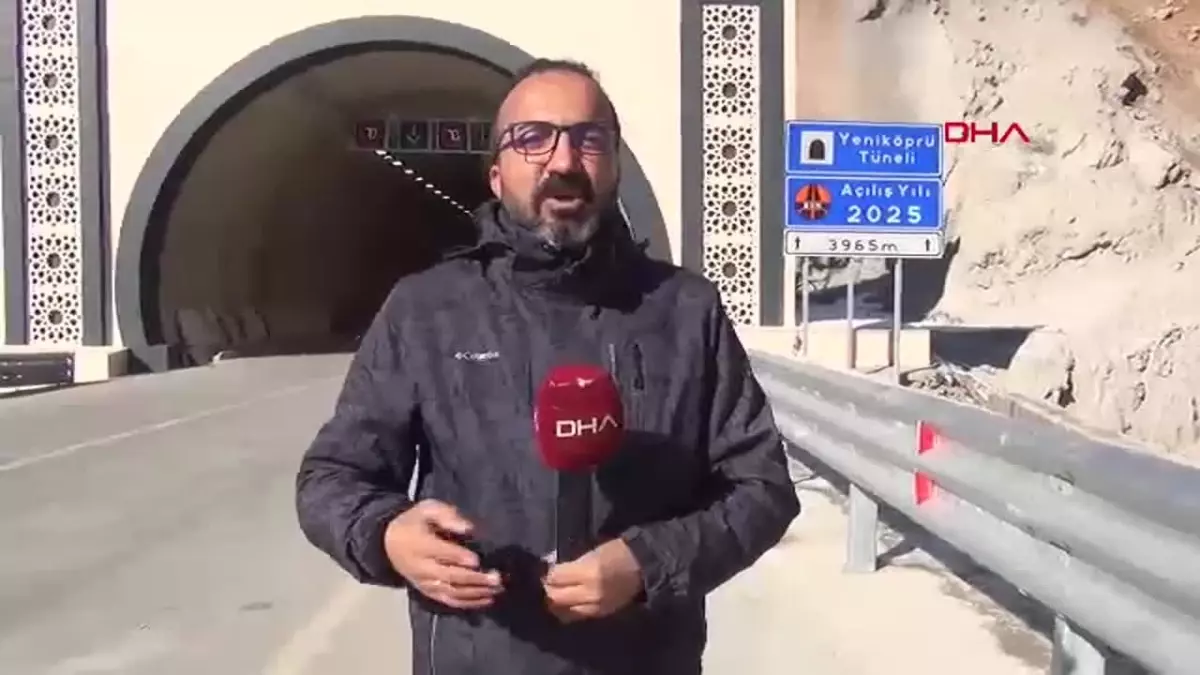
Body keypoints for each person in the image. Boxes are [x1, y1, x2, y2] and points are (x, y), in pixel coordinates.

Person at [295, 58, 800, 675]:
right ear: (496, 174)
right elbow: (334, 476)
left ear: (614, 165)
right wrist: (387, 534)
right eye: (533, 138)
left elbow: (761, 488)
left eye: (589, 139)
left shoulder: (684, 310)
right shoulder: (427, 310)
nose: (563, 161)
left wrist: (648, 562)